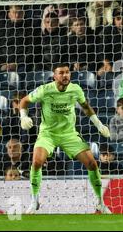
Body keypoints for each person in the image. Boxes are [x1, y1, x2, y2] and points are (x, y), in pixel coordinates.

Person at [19, 63, 112, 214]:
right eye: (61, 73)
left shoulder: (75, 89)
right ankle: (34, 201)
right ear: (54, 76)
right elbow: (23, 101)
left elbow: (86, 107)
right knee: (36, 162)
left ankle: (100, 203)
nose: (65, 76)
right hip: (48, 134)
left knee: (92, 164)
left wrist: (100, 125)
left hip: (69, 134)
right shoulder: (44, 90)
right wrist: (23, 117)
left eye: (67, 72)